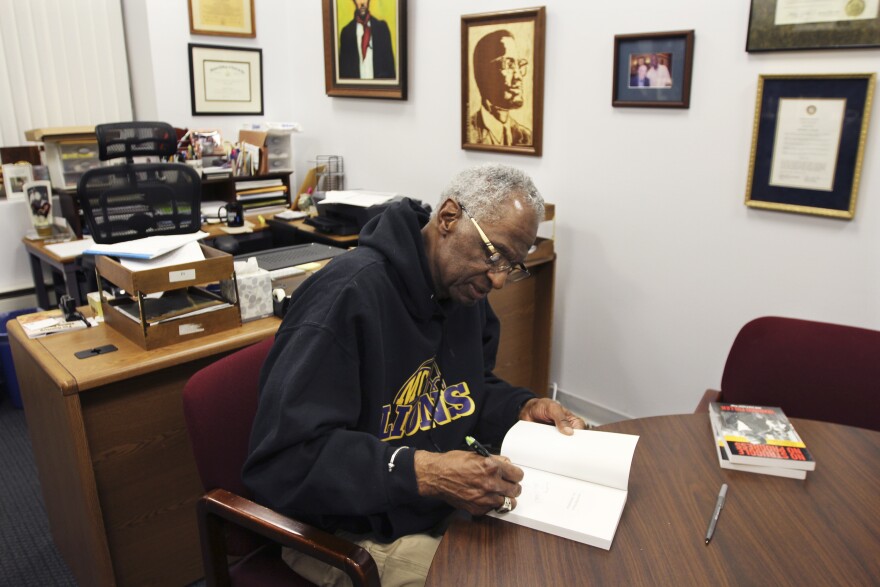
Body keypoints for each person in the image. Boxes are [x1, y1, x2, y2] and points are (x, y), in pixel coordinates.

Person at [243, 163, 586, 586]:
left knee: (557, 562)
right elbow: (284, 463)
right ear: (448, 218)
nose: (499, 279)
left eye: (512, 265)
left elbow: (465, 391)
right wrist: (424, 472)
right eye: (493, 254)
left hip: (427, 508)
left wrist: (522, 408)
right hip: (342, 531)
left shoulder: (465, 293)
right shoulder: (345, 298)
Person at [468, 30, 532, 146]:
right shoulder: (469, 133)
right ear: (483, 74)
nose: (518, 76)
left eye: (519, 65)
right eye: (508, 65)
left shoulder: (527, 136)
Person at [338, 0, 396, 79]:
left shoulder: (382, 29)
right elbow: (343, 74)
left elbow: (390, 71)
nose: (362, 3)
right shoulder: (346, 33)